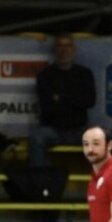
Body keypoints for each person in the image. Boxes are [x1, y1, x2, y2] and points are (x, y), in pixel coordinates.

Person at [29, 33, 96, 167]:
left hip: (80, 129)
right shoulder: (44, 76)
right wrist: (75, 99)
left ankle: (109, 183)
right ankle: (39, 184)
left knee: (111, 137)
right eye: (60, 46)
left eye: (68, 45)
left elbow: (89, 101)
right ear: (54, 50)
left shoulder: (85, 74)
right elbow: (49, 107)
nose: (64, 50)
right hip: (54, 130)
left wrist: (61, 98)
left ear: (74, 49)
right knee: (36, 138)